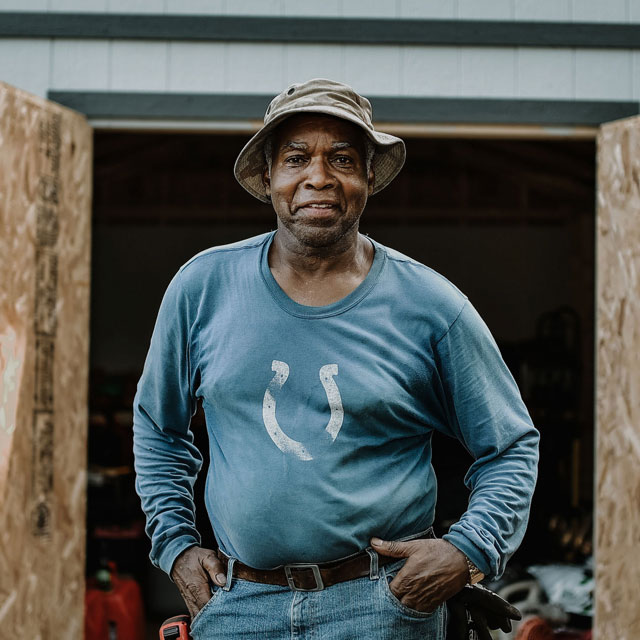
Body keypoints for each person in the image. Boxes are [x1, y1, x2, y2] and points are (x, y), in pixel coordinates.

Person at [133, 78, 539, 640]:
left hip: (387, 606)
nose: (318, 178)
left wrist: (467, 549)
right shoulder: (203, 287)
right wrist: (176, 544)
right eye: (296, 158)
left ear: (368, 177)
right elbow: (158, 426)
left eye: (342, 159)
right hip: (237, 605)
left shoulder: (430, 305)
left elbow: (511, 444)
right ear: (269, 176)